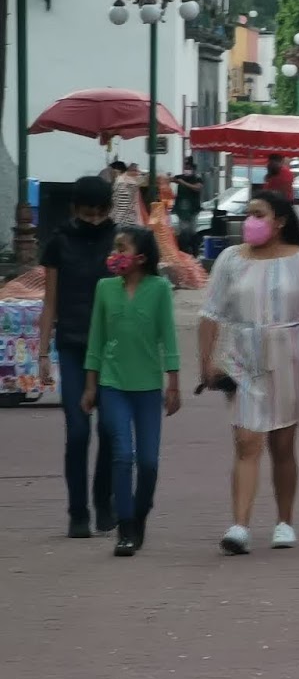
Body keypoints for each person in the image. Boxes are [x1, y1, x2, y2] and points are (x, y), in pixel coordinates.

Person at [198, 190, 299, 555]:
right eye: (248, 214)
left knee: (283, 444)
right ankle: (239, 525)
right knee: (246, 440)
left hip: (289, 356)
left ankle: (284, 520)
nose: (251, 221)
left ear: (280, 221)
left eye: (259, 214)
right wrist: (207, 360)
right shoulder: (230, 259)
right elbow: (211, 313)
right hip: (243, 356)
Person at [81, 225, 181, 556]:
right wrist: (91, 384)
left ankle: (140, 514)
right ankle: (125, 527)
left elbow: (168, 337)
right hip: (113, 384)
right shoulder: (105, 288)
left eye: (122, 248)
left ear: (140, 256)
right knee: (123, 455)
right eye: (115, 248)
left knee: (149, 462)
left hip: (149, 386)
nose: (116, 255)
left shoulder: (160, 289)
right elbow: (96, 338)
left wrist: (174, 383)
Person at [38, 176, 118, 537]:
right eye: (89, 213)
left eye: (102, 213)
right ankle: (77, 511)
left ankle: (104, 502)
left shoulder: (120, 240)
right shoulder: (59, 242)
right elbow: (49, 301)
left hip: (113, 349)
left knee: (110, 429)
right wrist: (41, 353)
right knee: (79, 430)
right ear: (75, 210)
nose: (95, 219)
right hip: (71, 344)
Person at [173, 157, 205, 254]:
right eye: (185, 167)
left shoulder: (197, 178)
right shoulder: (180, 177)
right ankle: (183, 251)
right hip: (181, 211)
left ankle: (194, 252)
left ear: (193, 169)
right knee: (183, 232)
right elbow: (171, 179)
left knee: (191, 232)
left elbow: (198, 188)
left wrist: (183, 183)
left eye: (189, 168)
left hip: (193, 210)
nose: (187, 169)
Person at [111, 164, 144, 228]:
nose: (136, 173)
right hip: (125, 216)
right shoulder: (127, 181)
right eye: (135, 171)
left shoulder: (122, 179)